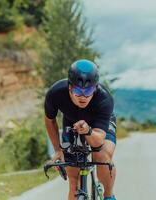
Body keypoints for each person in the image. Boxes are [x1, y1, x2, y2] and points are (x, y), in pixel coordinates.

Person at [44, 59, 117, 200]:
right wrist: (58, 150)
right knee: (73, 179)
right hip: (72, 123)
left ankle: (109, 195)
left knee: (102, 156)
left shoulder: (104, 99)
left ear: (95, 88)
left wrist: (88, 131)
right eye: (78, 91)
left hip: (98, 126)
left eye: (88, 91)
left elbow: (98, 141)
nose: (83, 97)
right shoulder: (55, 93)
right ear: (69, 87)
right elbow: (49, 120)